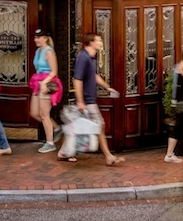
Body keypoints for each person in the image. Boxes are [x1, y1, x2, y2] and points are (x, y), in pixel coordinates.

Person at [58, 33, 124, 165]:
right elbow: (77, 80)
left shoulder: (91, 58)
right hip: (87, 101)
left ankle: (63, 152)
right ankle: (109, 156)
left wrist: (107, 87)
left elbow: (94, 76)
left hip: (89, 100)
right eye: (99, 41)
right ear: (91, 42)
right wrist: (81, 101)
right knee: (99, 126)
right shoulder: (83, 57)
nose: (101, 43)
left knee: (76, 127)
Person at [29, 29, 62, 154]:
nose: (36, 40)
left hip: (47, 84)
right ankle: (57, 128)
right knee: (34, 112)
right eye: (35, 37)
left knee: (44, 114)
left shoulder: (49, 51)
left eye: (39, 37)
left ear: (45, 38)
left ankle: (50, 143)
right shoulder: (38, 51)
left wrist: (44, 82)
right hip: (38, 82)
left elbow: (54, 71)